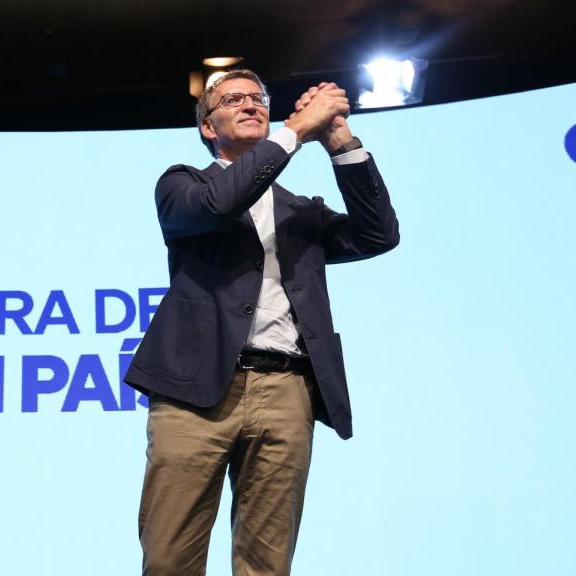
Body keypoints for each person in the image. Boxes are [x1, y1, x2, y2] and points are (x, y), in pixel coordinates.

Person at [124, 69, 400, 575]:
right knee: (169, 558)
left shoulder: (301, 212)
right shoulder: (183, 185)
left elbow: (378, 234)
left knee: (266, 564)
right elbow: (220, 203)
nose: (251, 105)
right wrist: (295, 130)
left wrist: (339, 139)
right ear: (209, 127)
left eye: (259, 99)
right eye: (234, 100)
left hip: (287, 391)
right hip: (196, 393)